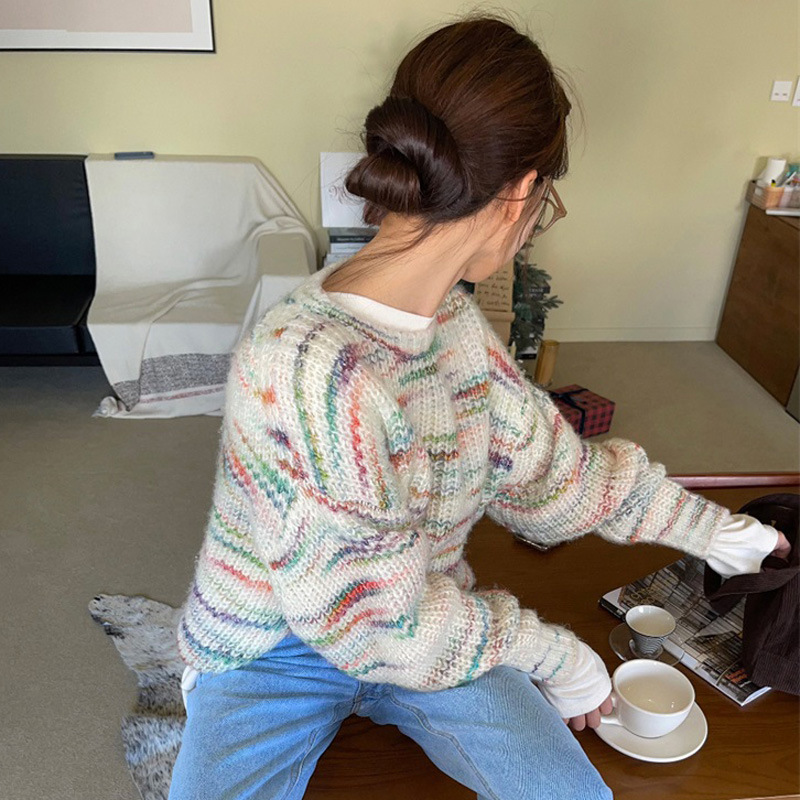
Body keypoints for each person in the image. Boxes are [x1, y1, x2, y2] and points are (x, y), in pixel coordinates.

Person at [168, 13, 790, 800]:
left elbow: (555, 478)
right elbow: (370, 626)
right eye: (546, 206)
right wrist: (558, 656)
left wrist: (719, 533)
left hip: (432, 619)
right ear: (523, 191)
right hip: (277, 647)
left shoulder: (456, 328)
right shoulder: (307, 369)